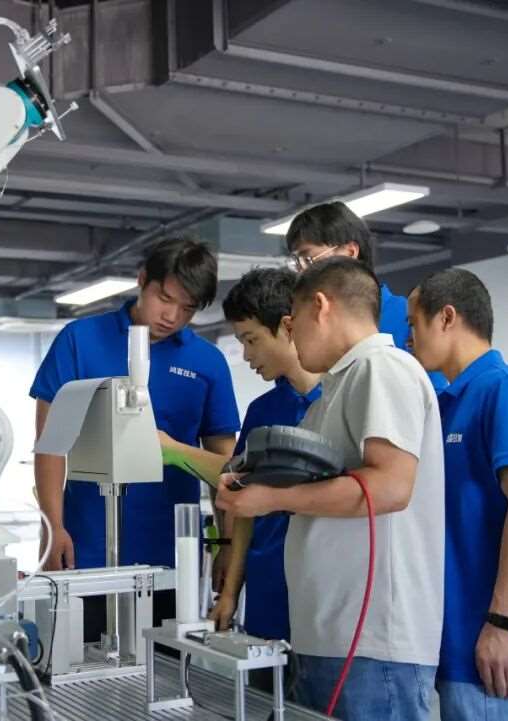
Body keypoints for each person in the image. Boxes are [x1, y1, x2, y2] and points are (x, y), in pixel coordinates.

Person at [217, 257, 445, 721]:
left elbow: (390, 487)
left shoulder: (383, 369)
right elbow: (320, 485)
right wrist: (250, 481)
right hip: (327, 636)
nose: (292, 336)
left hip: (373, 643)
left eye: (293, 322)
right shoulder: (335, 392)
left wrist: (272, 499)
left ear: (320, 307)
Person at [30, 236, 240, 640]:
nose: (172, 316)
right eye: (165, 298)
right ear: (142, 280)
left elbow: (224, 467)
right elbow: (50, 444)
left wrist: (226, 544)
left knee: (164, 665)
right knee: (79, 657)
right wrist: (53, 527)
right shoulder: (80, 340)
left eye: (187, 308)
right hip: (86, 545)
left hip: (171, 553)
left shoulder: (207, 362)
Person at [407, 268, 508, 721]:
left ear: (447, 317)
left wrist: (503, 622)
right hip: (460, 638)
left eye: (414, 324)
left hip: (498, 651)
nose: (409, 339)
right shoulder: (449, 403)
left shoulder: (505, 390)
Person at [158, 268, 321, 647]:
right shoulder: (263, 411)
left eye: (252, 340)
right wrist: (230, 592)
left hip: (318, 588)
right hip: (265, 589)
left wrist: (173, 450)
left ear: (287, 327)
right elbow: (243, 499)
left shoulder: (337, 400)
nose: (246, 355)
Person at [285, 201, 447, 390]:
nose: (301, 272)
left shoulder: (406, 318)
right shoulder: (316, 326)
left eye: (308, 259)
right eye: (297, 263)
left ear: (350, 252)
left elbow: (434, 394)